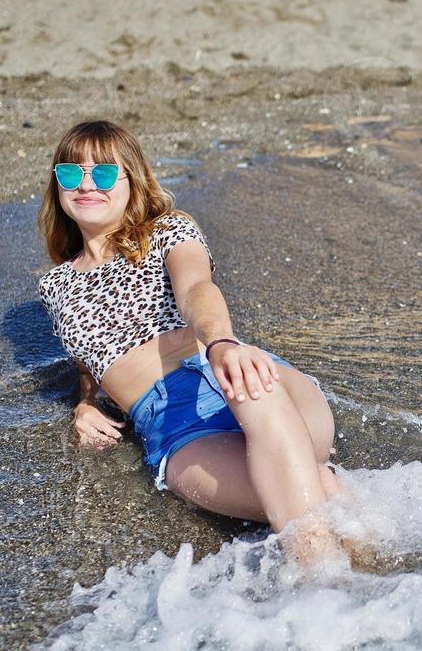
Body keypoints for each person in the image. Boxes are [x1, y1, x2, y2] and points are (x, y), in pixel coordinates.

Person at [36, 119, 355, 567]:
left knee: (249, 388)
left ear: (133, 180)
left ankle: (322, 588)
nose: (86, 184)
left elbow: (195, 290)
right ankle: (379, 583)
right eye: (71, 173)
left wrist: (221, 342)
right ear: (58, 186)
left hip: (235, 371)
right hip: (177, 425)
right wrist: (86, 403)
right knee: (319, 489)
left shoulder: (169, 231)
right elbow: (88, 360)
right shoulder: (57, 285)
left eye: (104, 173)